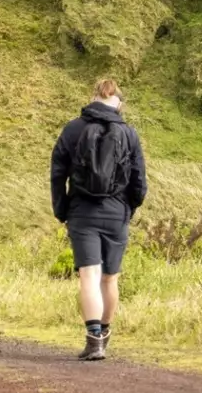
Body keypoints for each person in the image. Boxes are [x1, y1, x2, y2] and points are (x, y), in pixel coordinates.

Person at [51, 79, 148, 361]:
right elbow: (139, 181)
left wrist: (62, 209)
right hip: (117, 212)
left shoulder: (72, 129)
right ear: (119, 102)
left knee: (89, 276)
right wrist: (128, 208)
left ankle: (93, 341)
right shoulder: (128, 133)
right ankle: (105, 335)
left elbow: (58, 173)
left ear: (94, 97)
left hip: (82, 211)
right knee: (110, 278)